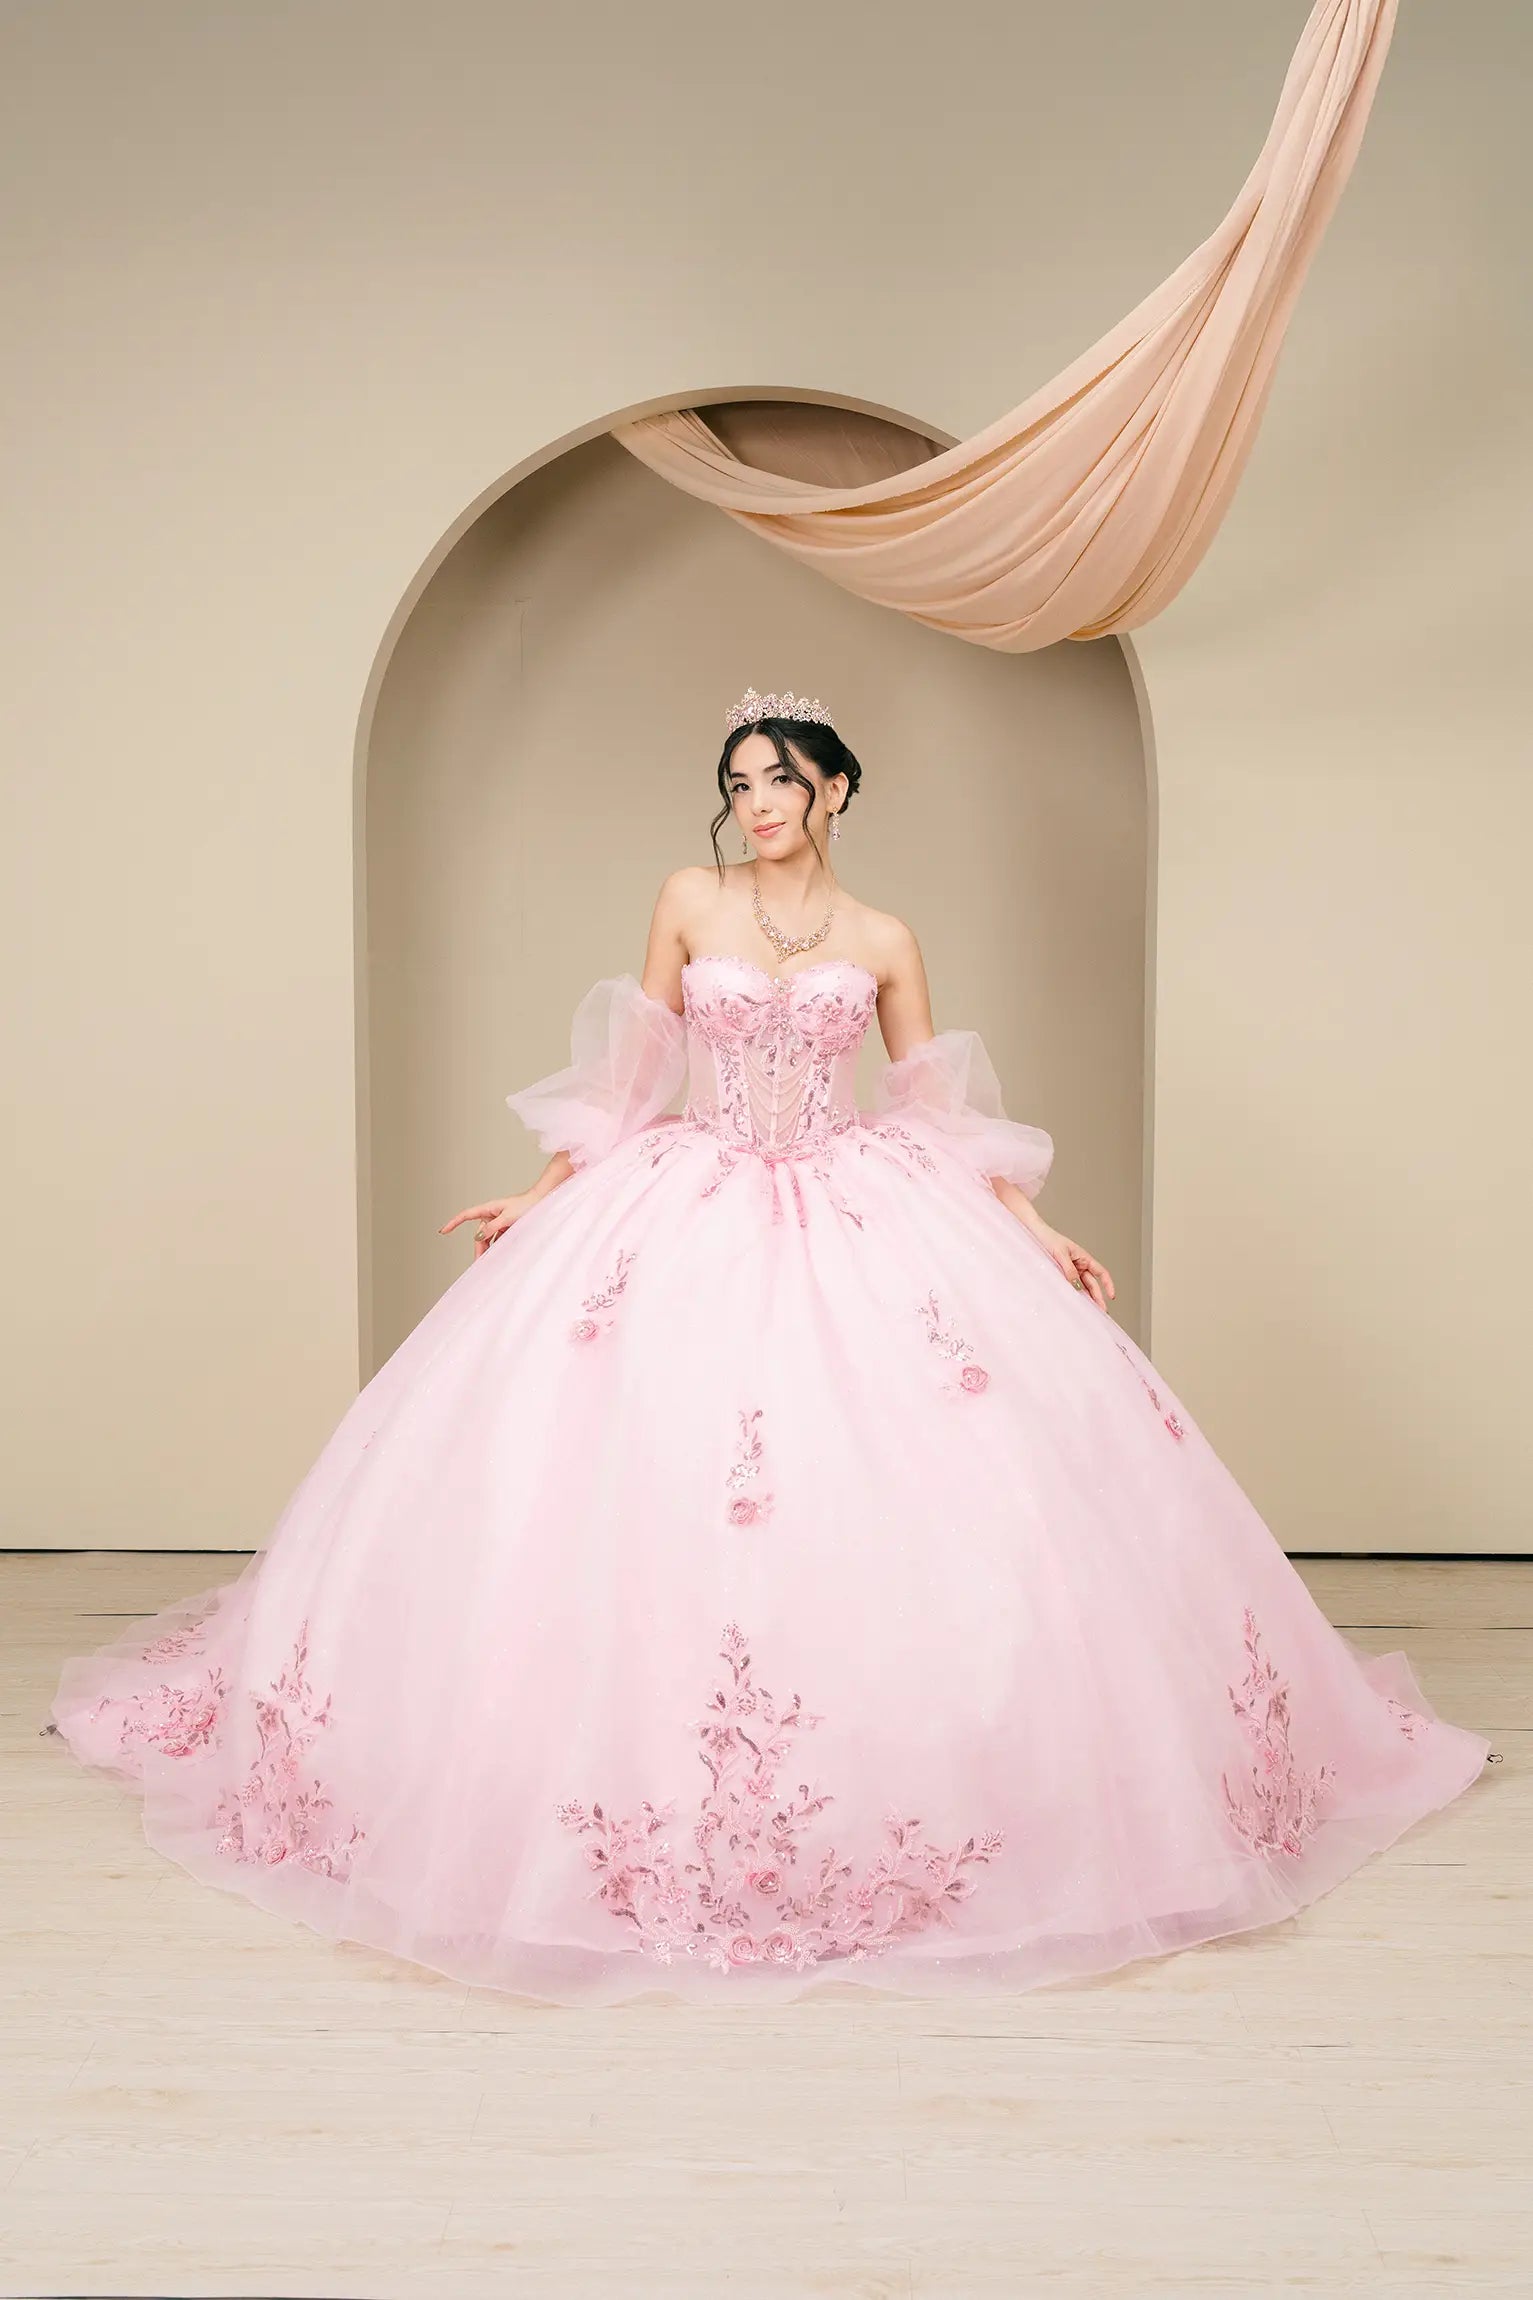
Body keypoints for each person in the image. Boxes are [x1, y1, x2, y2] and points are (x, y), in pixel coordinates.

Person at [49, 687, 1490, 2002]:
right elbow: (635, 1071)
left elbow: (928, 1098)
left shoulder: (880, 939)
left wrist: (1037, 1233)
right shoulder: (687, 898)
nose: (756, 799)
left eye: (783, 779)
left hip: (861, 1205)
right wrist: (543, 1189)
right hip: (687, 1194)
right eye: (740, 778)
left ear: (835, 794)